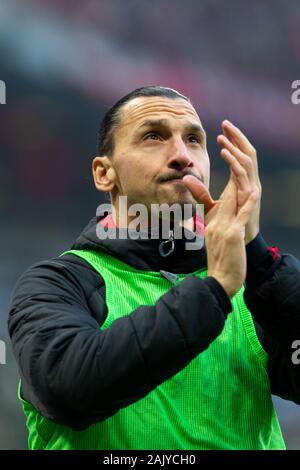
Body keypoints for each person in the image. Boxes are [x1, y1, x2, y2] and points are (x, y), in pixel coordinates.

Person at [8, 86, 300, 450]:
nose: (181, 155)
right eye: (153, 136)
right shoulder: (56, 284)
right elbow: (68, 388)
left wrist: (259, 258)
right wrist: (213, 291)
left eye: (194, 140)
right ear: (104, 173)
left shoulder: (250, 288)